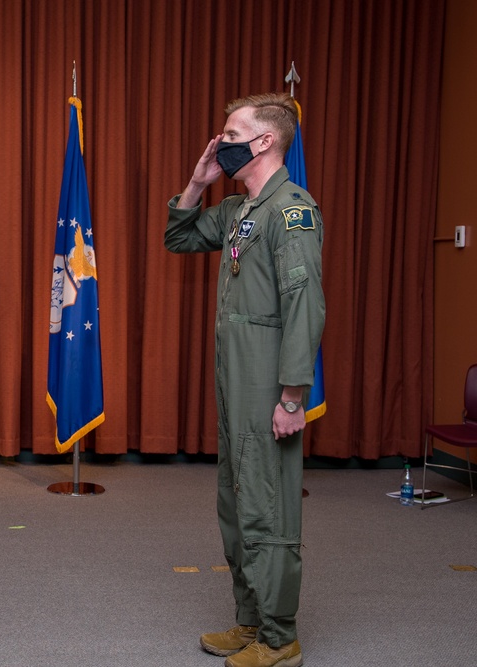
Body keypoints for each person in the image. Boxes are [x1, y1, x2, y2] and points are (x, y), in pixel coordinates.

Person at [165, 92, 325, 667]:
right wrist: (197, 180)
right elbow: (179, 237)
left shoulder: (291, 210)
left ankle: (281, 638)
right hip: (233, 374)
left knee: (268, 504)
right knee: (236, 501)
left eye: (231, 133)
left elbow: (306, 305)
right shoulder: (240, 210)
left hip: (266, 377)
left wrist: (291, 395)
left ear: (264, 141)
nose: (220, 141)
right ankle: (251, 618)